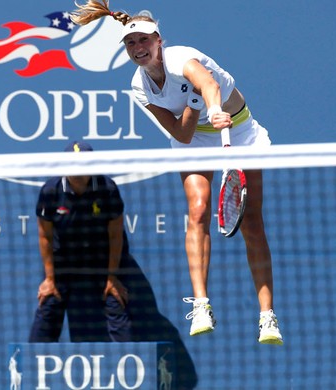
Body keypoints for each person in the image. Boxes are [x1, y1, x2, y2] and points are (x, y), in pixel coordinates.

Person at [70, 1, 283, 345]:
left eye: (144, 41)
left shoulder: (181, 58)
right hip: (195, 137)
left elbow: (208, 83)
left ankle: (267, 316)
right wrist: (197, 106)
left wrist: (211, 107)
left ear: (159, 40)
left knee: (252, 223)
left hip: (238, 131)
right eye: (131, 44)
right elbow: (182, 134)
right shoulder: (139, 86)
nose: (138, 49)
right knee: (197, 211)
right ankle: (201, 305)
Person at [28, 141, 198, 390]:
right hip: (64, 262)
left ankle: (129, 375)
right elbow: (45, 237)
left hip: (102, 258)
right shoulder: (51, 191)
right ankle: (31, 374)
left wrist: (111, 277)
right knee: (49, 304)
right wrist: (50, 279)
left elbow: (116, 235)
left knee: (118, 304)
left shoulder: (107, 189)